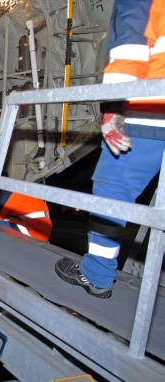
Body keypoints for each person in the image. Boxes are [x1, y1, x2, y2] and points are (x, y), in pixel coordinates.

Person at [55, 0, 165, 298]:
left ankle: (98, 276)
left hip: (153, 109)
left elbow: (131, 48)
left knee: (112, 187)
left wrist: (114, 108)